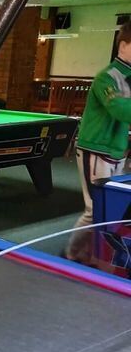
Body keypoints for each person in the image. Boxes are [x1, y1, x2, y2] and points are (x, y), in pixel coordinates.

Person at [65, 21, 131, 265]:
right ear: (123, 45)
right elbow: (120, 109)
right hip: (96, 149)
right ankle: (71, 254)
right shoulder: (107, 77)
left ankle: (94, 254)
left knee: (110, 208)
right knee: (95, 210)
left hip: (117, 150)